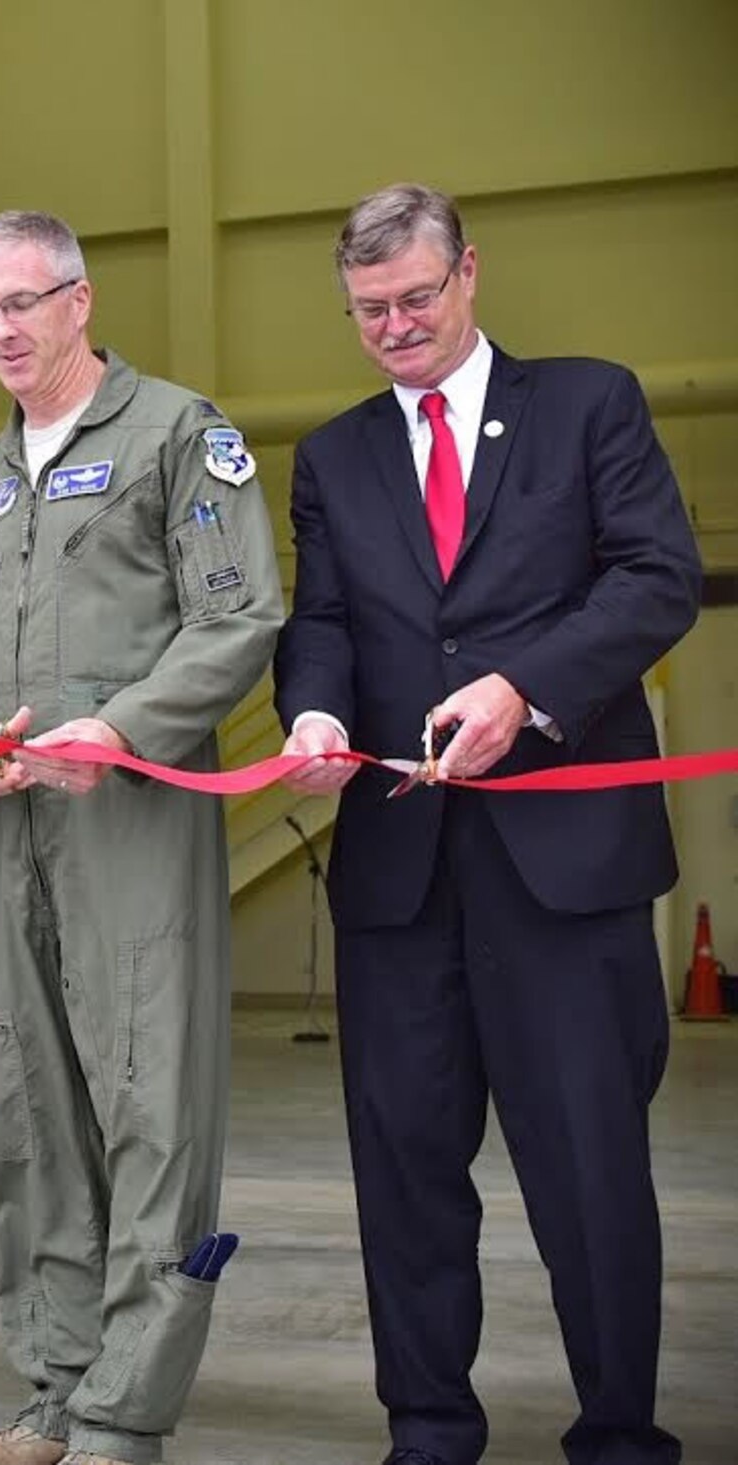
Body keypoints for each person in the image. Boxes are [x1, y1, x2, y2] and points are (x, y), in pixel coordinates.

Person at [274, 183, 699, 1465]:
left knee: (587, 1168)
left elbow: (654, 577)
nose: (394, 326)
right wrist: (307, 715)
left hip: (564, 869)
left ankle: (619, 1431)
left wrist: (525, 688)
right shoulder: (331, 455)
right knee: (403, 1168)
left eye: (413, 297)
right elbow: (326, 623)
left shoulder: (588, 402)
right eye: (366, 312)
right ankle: (427, 1429)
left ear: (467, 272)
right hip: (398, 874)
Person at [0, 210, 284, 1465]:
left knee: (147, 1103)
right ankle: (53, 1391)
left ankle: (127, 1407)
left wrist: (117, 731)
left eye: (21, 302)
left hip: (129, 811)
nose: (0, 331)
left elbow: (235, 618)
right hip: (9, 815)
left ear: (78, 301)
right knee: (27, 1106)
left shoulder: (181, 435)